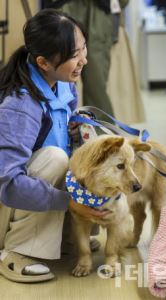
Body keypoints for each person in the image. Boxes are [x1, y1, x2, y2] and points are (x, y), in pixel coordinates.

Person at [0, 9, 108, 283]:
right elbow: (8, 184)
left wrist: (78, 131)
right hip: (6, 205)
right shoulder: (20, 105)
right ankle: (18, 250)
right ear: (44, 62)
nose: (83, 60)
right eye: (74, 55)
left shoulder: (64, 85)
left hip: (33, 203)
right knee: (55, 158)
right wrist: (70, 202)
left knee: (86, 151)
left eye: (83, 49)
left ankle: (63, 239)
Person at [42, 0, 129, 116]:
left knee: (96, 87)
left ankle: (100, 131)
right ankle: (56, 127)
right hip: (64, 8)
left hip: (98, 13)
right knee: (60, 83)